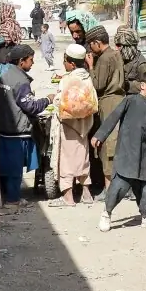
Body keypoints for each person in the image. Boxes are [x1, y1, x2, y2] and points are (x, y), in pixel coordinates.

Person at [90, 71, 146, 232]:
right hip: (127, 151)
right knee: (120, 185)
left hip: (143, 154)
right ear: (143, 86)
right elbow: (113, 117)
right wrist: (100, 135)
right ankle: (106, 214)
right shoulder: (130, 101)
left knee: (144, 185)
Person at [0, 45, 48, 205]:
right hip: (17, 132)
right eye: (31, 60)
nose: (32, 64)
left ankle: (4, 195)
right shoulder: (21, 80)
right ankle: (13, 199)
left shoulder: (4, 73)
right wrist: (47, 100)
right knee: (15, 168)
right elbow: (30, 106)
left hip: (4, 128)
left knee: (4, 166)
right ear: (21, 61)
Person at [50, 45, 98, 206]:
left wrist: (53, 97)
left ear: (70, 63)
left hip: (68, 126)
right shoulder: (87, 77)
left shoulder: (67, 80)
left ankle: (68, 198)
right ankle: (86, 194)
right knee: (83, 158)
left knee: (66, 161)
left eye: (65, 61)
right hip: (84, 126)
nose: (64, 64)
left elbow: (60, 103)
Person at [86, 26, 125, 192]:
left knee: (108, 145)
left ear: (97, 43)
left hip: (108, 102)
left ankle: (110, 189)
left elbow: (98, 85)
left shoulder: (103, 59)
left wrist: (90, 66)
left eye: (91, 45)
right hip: (119, 100)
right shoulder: (116, 54)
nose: (90, 49)